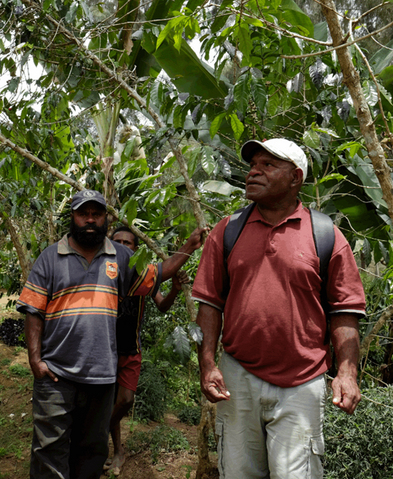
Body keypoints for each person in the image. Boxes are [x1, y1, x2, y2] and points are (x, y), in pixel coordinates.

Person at [192, 138, 366, 478]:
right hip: (238, 377)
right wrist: (208, 364)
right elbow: (210, 303)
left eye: (268, 166)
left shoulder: (325, 234)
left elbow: (345, 310)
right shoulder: (227, 231)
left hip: (302, 381)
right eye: (253, 165)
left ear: (295, 178)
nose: (253, 172)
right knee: (238, 472)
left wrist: (347, 373)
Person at [17, 189, 206, 479]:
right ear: (73, 217)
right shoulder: (50, 257)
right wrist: (35, 360)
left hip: (102, 377)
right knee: (49, 453)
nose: (90, 220)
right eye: (84, 214)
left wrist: (190, 247)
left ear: (106, 217)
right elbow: (33, 310)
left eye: (97, 214)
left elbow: (158, 272)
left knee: (91, 452)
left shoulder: (122, 256)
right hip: (56, 374)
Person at [103, 226, 190, 476]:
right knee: (108, 401)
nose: (121, 245)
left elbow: (162, 305)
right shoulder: (103, 273)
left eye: (127, 242)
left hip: (131, 349)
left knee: (124, 401)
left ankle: (102, 441)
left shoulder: (144, 275)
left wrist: (174, 288)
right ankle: (115, 449)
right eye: (116, 241)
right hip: (105, 350)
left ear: (135, 248)